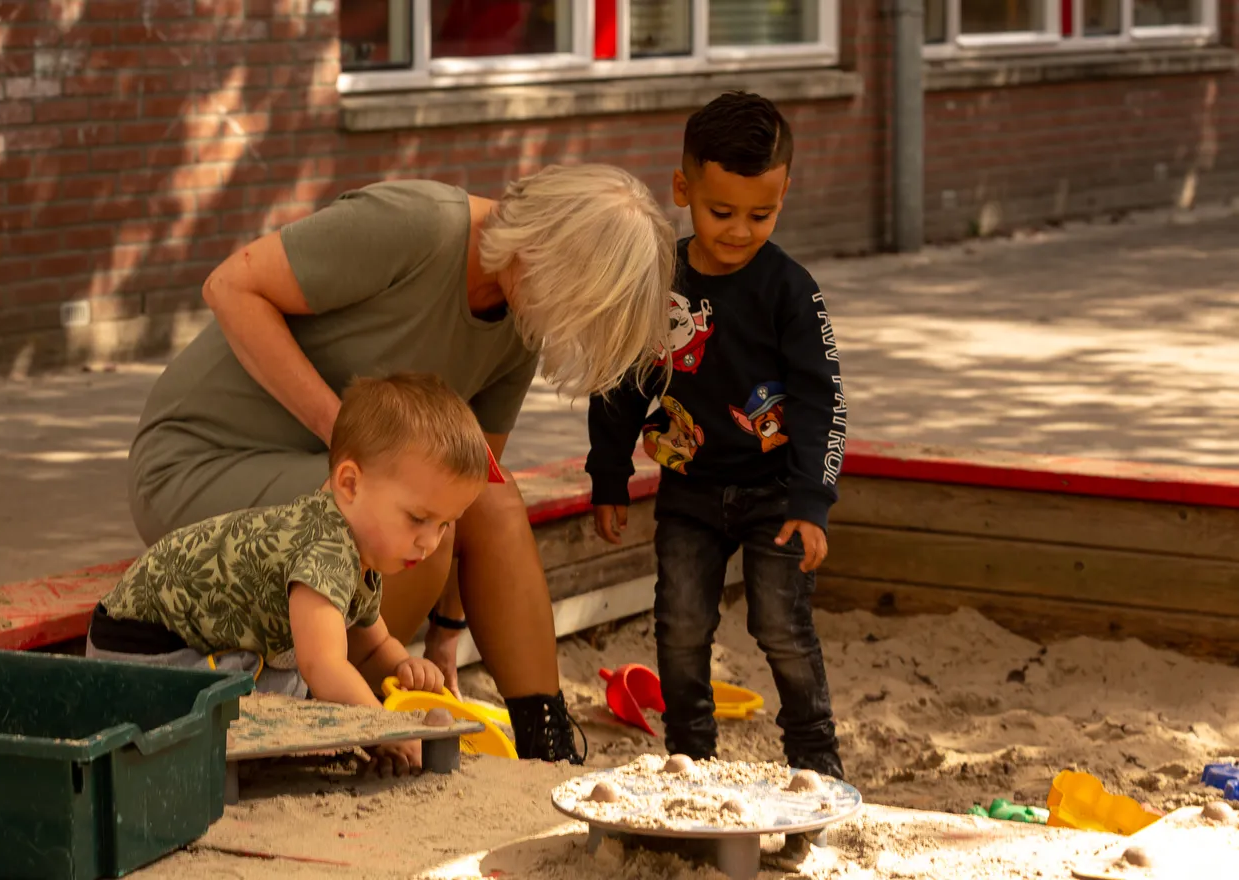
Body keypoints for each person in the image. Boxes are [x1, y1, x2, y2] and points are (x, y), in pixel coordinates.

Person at [129, 165, 676, 763]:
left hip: (334, 480)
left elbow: (466, 491)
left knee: (486, 494)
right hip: (203, 457)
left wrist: (445, 636)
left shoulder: (521, 311)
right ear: (546, 250)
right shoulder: (417, 226)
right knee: (410, 509)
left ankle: (545, 740)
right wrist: (349, 436)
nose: (571, 327)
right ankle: (330, 698)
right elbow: (229, 286)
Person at [586, 92, 848, 781]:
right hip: (690, 490)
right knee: (679, 624)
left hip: (776, 494)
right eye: (720, 211)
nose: (738, 231)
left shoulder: (791, 290)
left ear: (784, 194)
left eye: (761, 215)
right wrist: (608, 475)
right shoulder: (658, 282)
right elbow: (619, 382)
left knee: (780, 626)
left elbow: (822, 400)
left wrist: (812, 500)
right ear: (683, 190)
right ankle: (690, 756)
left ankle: (817, 761)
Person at [91, 374, 491, 774]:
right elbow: (325, 666)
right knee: (293, 685)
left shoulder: (355, 549)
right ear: (350, 484)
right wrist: (388, 730)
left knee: (297, 682)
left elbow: (371, 647)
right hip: (142, 653)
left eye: (444, 524)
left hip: (173, 648)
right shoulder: (324, 548)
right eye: (418, 518)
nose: (429, 542)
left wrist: (403, 666)